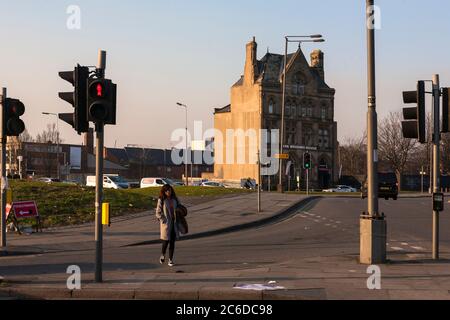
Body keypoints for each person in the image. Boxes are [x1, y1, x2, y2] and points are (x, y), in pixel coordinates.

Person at [155, 184, 180, 267]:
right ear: (164, 192)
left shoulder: (175, 199)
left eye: (170, 190)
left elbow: (179, 208)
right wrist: (164, 220)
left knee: (172, 242)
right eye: (167, 191)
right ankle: (163, 254)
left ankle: (170, 260)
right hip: (166, 224)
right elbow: (158, 213)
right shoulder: (161, 200)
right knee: (165, 241)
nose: (169, 192)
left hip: (174, 223)